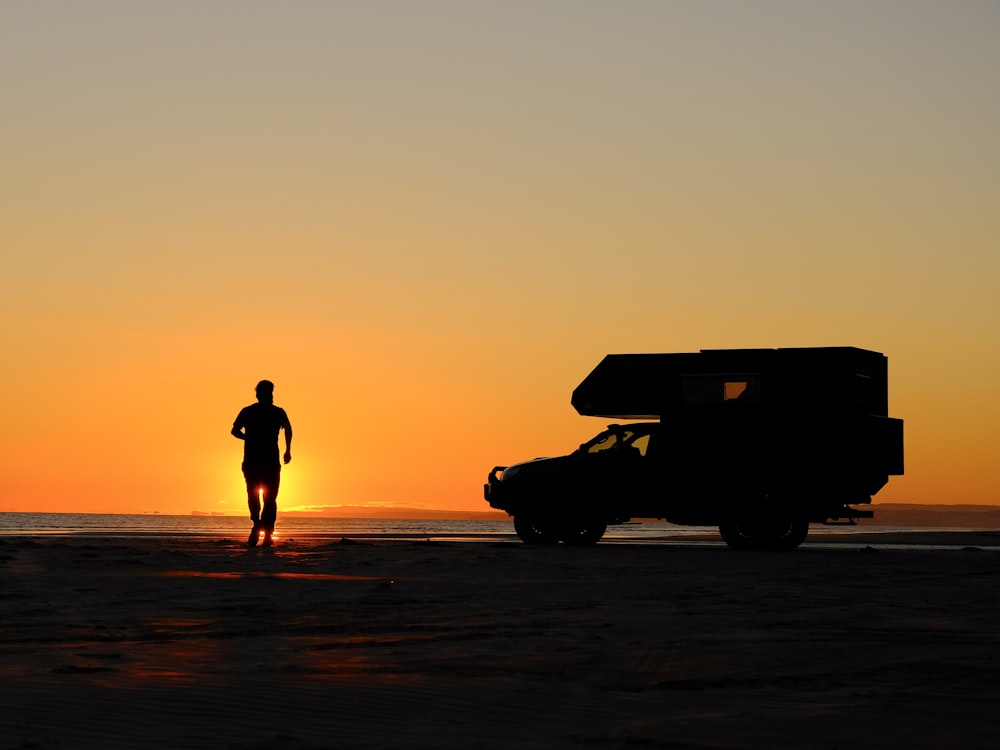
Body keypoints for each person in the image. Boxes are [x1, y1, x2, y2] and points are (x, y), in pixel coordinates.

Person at [231, 380, 292, 547]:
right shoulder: (250, 411)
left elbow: (288, 428)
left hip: (267, 462)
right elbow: (234, 430)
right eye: (268, 393)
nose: (270, 397)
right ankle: (260, 527)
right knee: (261, 497)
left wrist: (288, 450)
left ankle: (264, 530)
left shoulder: (276, 412)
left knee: (266, 497)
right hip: (255, 461)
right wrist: (247, 438)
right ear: (259, 395)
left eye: (271, 393)